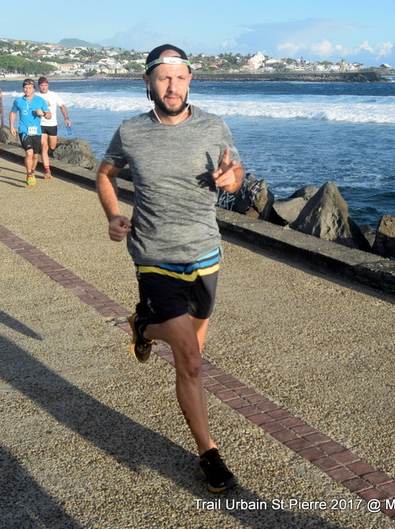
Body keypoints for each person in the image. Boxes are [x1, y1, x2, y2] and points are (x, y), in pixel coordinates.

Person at [96, 44, 244, 493]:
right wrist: (113, 215)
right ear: (148, 82)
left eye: (180, 78)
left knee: (189, 354)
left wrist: (231, 180)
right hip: (154, 256)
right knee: (192, 361)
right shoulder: (131, 131)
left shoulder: (213, 126)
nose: (172, 86)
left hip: (205, 254)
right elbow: (105, 174)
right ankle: (208, 454)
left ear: (190, 80)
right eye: (163, 78)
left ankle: (143, 327)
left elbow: (236, 171)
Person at [9, 78, 51, 186]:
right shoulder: (18, 101)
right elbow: (13, 113)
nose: (27, 90)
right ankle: (29, 174)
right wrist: (11, 126)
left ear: (34, 89)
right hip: (24, 131)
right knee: (29, 153)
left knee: (35, 156)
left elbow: (49, 115)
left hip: (37, 132)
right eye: (25, 87)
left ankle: (32, 171)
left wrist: (43, 114)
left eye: (29, 88)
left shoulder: (40, 101)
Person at [37, 76, 71, 178]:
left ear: (48, 85)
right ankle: (47, 170)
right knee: (44, 146)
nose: (44, 87)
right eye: (42, 85)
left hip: (52, 124)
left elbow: (62, 107)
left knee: (52, 146)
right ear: (38, 86)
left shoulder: (54, 95)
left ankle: (47, 155)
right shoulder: (36, 96)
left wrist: (66, 118)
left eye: (45, 85)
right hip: (40, 124)